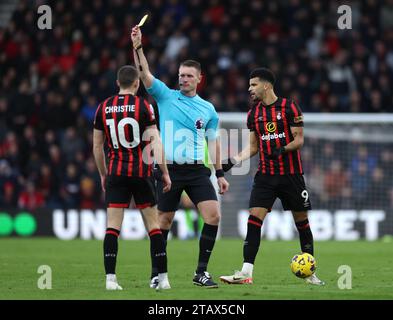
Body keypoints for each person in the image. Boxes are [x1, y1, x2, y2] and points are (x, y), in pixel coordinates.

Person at [131, 25, 229, 288]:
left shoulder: (208, 109)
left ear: (199, 79)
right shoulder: (165, 95)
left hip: (198, 170)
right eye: (181, 75)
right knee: (163, 221)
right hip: (170, 170)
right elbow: (144, 73)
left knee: (213, 216)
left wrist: (219, 174)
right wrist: (137, 46)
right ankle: (157, 274)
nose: (183, 79)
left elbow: (214, 142)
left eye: (188, 76)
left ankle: (201, 272)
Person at [219, 68, 325, 286]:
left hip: (292, 176)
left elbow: (299, 140)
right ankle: (245, 272)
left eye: (254, 85)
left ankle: (311, 274)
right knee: (254, 220)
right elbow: (253, 147)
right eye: (249, 85)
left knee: (302, 223)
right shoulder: (253, 114)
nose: (249, 89)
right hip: (266, 176)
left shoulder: (289, 107)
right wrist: (233, 160)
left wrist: (282, 149)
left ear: (266, 85)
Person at [93, 65, 172, 290]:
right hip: (141, 173)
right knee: (154, 227)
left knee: (112, 228)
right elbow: (156, 141)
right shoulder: (144, 106)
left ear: (118, 83)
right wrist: (165, 172)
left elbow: (97, 147)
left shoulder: (103, 107)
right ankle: (163, 279)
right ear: (137, 83)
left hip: (116, 173)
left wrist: (103, 174)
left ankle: (110, 280)